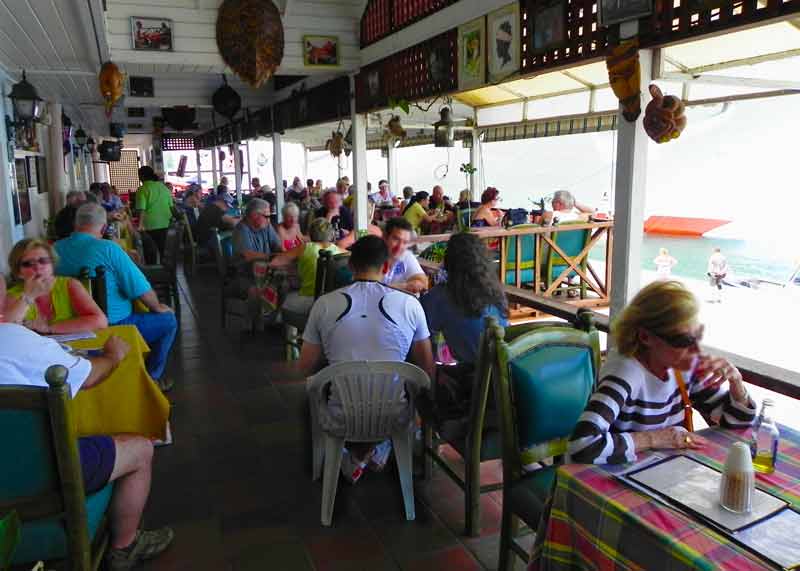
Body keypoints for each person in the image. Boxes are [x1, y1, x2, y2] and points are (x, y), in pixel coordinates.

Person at [0, 323, 174, 569]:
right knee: (141, 449)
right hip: (40, 480)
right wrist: (113, 355)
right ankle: (125, 545)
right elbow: (89, 375)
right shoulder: (12, 337)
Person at [568, 280, 756, 465]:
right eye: (683, 340)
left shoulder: (682, 367)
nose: (695, 349)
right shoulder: (625, 373)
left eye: (696, 337)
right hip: (619, 474)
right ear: (645, 337)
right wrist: (656, 439)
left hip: (664, 468)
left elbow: (737, 423)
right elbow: (582, 445)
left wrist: (737, 384)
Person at [298, 235, 434, 483]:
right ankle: (374, 451)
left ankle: (358, 455)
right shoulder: (411, 305)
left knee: (319, 392)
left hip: (341, 418)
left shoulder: (324, 304)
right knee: (411, 394)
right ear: (386, 267)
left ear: (350, 266)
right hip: (394, 417)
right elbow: (427, 369)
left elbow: (304, 366)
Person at [55, 203, 177, 391]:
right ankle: (151, 379)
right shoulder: (108, 249)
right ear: (103, 228)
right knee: (168, 321)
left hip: (69, 329)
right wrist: (156, 306)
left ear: (76, 224)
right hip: (114, 327)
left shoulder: (55, 249)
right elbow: (140, 290)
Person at [420, 232, 509, 436]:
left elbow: (418, 338)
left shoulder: (441, 296)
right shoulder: (496, 292)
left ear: (449, 262)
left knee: (418, 378)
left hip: (477, 391)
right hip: (506, 385)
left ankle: (428, 439)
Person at [4, 239, 108, 334]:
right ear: (18, 272)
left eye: (43, 261)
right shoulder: (13, 295)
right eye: (28, 264)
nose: (37, 267)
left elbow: (100, 321)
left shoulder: (69, 285)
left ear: (52, 265)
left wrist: (50, 328)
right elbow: (6, 331)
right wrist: (29, 296)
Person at [270, 218, 343, 316]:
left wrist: (293, 267)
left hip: (310, 301)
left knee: (283, 299)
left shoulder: (305, 247)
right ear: (332, 234)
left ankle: (288, 328)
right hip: (335, 304)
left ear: (311, 234)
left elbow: (274, 262)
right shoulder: (341, 252)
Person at [231, 198, 283, 277]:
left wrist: (285, 253)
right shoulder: (241, 229)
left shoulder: (266, 226)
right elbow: (248, 255)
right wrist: (273, 256)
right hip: (247, 274)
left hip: (265, 267)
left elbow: (276, 245)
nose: (269, 220)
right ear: (254, 215)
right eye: (267, 216)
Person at [134, 166, 174, 264]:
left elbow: (141, 209)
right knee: (163, 251)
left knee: (150, 252)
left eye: (139, 175)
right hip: (165, 224)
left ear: (142, 176)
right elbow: (171, 207)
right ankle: (166, 273)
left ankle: (152, 272)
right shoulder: (164, 187)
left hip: (149, 226)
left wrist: (140, 225)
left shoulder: (142, 189)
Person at [383, 217, 427, 294]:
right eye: (396, 239)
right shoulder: (374, 255)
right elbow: (368, 288)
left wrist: (404, 286)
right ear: (385, 237)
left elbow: (423, 283)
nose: (399, 247)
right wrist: (406, 286)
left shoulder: (407, 256)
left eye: (405, 242)